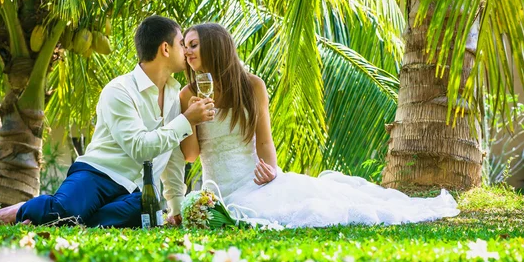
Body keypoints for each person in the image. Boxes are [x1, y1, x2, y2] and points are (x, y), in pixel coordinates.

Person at [180, 23, 460, 228]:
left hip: (253, 183)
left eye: (194, 44)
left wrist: (272, 172)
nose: (187, 51)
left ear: (215, 47)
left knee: (313, 204)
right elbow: (191, 155)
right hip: (217, 190)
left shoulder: (252, 86)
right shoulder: (187, 94)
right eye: (185, 45)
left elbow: (264, 141)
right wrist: (191, 119)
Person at [0, 16, 215, 227]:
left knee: (147, 216)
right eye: (182, 43)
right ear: (165, 48)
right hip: (97, 174)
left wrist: (175, 208)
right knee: (66, 211)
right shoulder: (120, 90)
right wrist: (186, 120)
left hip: (134, 191)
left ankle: (69, 219)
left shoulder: (176, 96)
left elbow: (171, 156)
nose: (186, 50)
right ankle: (24, 209)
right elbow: (139, 148)